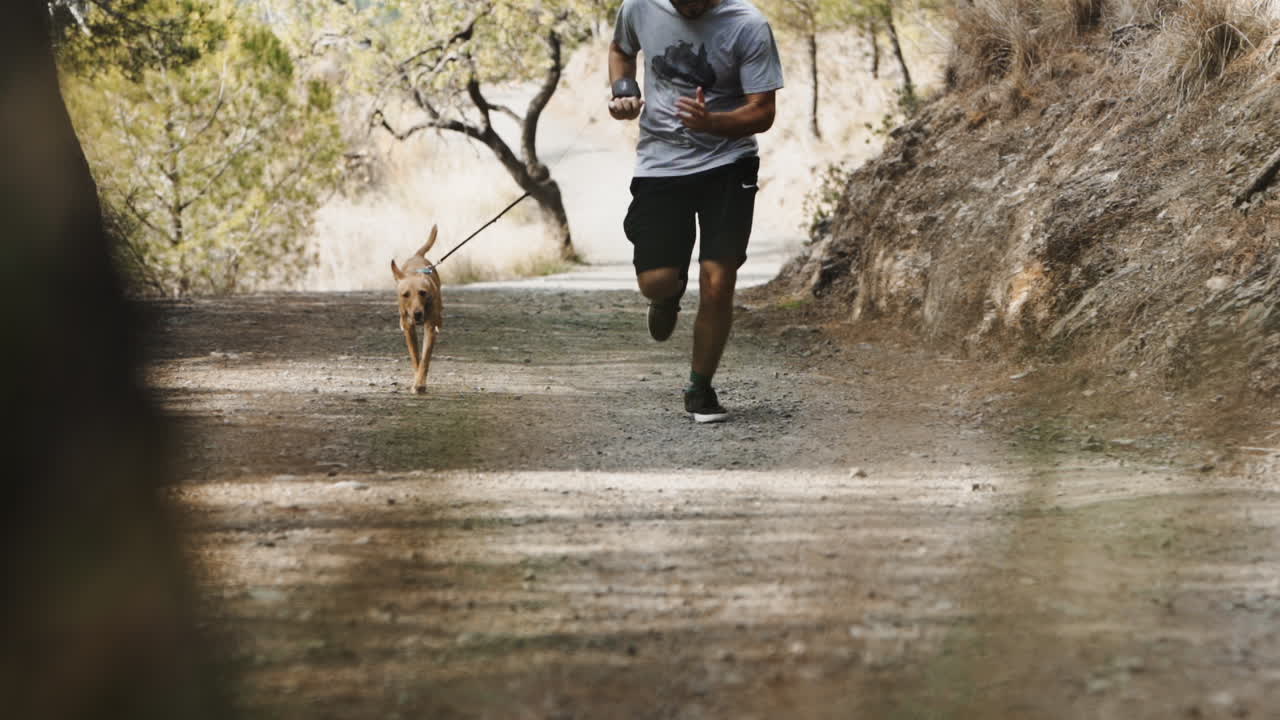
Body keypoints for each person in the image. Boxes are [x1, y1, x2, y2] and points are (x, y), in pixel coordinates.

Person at [608, 0, 783, 423]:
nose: (689, 6)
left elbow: (763, 112)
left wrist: (713, 124)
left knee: (719, 280)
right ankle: (667, 296)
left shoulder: (748, 25)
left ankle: (699, 389)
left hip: (729, 162)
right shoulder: (639, 8)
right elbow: (620, 49)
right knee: (656, 281)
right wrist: (624, 92)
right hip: (660, 162)